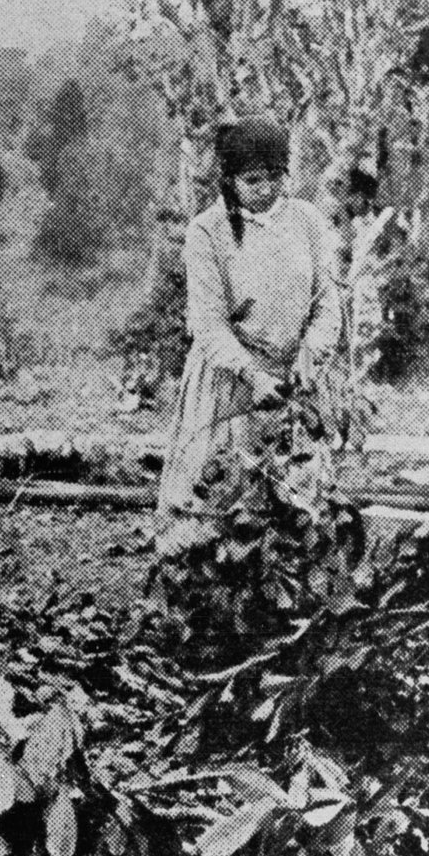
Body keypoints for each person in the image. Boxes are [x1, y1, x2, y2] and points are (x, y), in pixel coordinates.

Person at [155, 117, 342, 553]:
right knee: (216, 505)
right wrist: (252, 376)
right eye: (253, 180)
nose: (265, 189)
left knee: (297, 506)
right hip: (230, 383)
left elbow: (326, 302)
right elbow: (208, 323)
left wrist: (310, 354)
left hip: (295, 380)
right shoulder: (207, 231)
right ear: (230, 180)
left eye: (275, 177)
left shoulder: (307, 222)